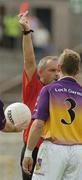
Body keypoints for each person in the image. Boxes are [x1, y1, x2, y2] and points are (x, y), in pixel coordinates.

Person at [22, 49, 82, 180]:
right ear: (78, 71)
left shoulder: (49, 90)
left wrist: (28, 153)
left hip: (53, 149)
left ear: (59, 67)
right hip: (78, 153)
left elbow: (38, 124)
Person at [18, 11, 59, 180]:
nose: (57, 74)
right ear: (40, 72)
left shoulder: (63, 91)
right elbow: (29, 60)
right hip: (32, 149)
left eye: (59, 70)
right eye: (52, 70)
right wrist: (27, 33)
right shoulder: (34, 86)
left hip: (55, 150)